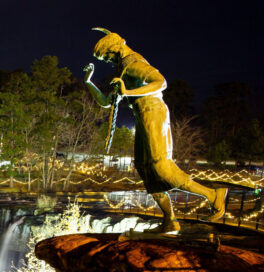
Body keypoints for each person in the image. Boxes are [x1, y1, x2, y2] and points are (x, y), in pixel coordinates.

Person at [84, 28, 227, 233]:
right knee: (145, 169)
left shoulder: (133, 63)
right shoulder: (122, 69)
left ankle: (214, 195)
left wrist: (129, 91)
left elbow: (161, 82)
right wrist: (88, 81)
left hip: (153, 112)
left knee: (161, 168)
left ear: (115, 48)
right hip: (142, 115)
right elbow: (107, 102)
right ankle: (169, 220)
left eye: (106, 56)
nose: (107, 61)